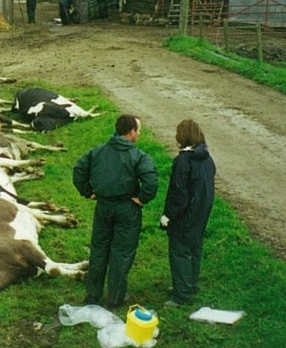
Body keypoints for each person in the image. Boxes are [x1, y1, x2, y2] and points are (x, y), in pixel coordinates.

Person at [73, 114, 158, 309]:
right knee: (122, 252)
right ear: (131, 132)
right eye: (139, 131)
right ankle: (115, 298)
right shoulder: (139, 156)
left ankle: (93, 295)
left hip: (103, 206)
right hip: (128, 208)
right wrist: (143, 198)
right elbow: (151, 181)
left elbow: (79, 169)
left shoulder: (98, 152)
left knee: (99, 249)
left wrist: (88, 191)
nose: (139, 135)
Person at [161, 119, 216, 307]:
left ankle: (182, 296)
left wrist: (168, 216)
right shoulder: (207, 159)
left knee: (179, 252)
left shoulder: (183, 161)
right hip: (201, 213)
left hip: (185, 216)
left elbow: (178, 194)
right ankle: (189, 285)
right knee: (195, 249)